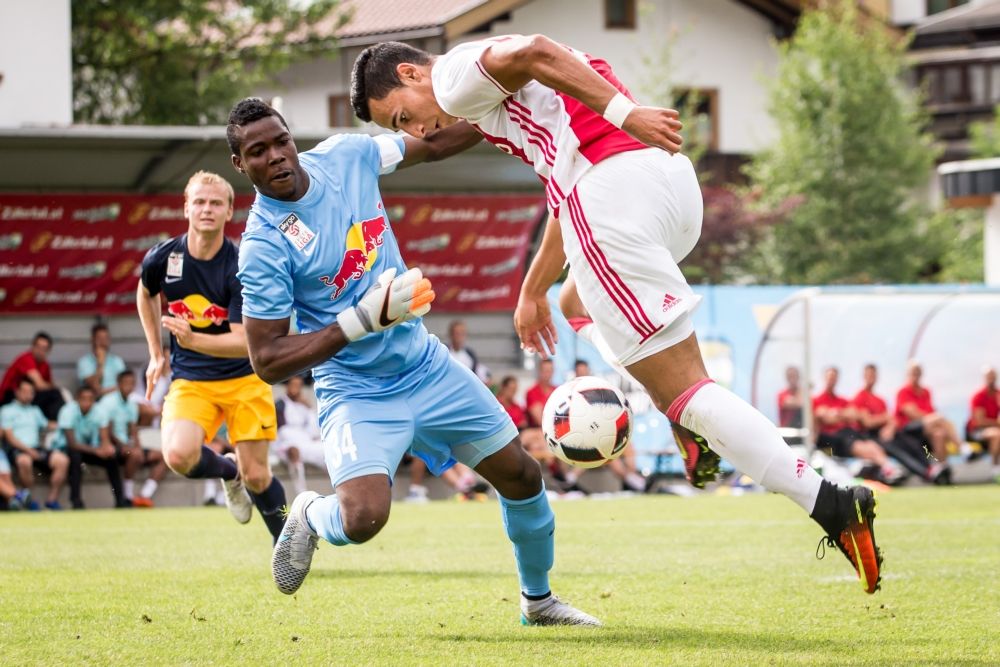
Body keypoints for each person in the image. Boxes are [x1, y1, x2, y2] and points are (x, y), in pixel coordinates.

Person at [352, 37, 882, 594]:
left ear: (411, 73)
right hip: (665, 186)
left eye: (403, 116)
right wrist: (533, 288)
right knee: (573, 303)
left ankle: (830, 503)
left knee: (685, 390)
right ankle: (689, 419)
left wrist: (628, 113)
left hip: (614, 192)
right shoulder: (493, 95)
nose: (418, 130)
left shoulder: (454, 77)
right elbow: (565, 179)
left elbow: (535, 53)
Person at [230, 96, 599, 626]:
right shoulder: (263, 245)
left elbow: (435, 141)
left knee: (521, 474)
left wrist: (507, 102)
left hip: (426, 366)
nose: (275, 157)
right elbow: (266, 359)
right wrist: (360, 321)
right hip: (356, 388)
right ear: (240, 164)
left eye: (280, 141)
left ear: (292, 138)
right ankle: (310, 513)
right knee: (362, 518)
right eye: (258, 152)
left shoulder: (346, 156)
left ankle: (538, 602)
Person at [136, 170, 287, 542]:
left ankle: (287, 544)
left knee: (258, 476)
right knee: (178, 455)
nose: (207, 209)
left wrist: (191, 340)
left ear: (229, 212)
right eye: (200, 202)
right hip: (192, 381)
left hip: (245, 378)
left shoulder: (240, 265)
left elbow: (244, 341)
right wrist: (156, 353)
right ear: (186, 208)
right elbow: (145, 292)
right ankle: (228, 472)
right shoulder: (163, 257)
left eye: (216, 203)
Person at [852, 363, 947, 484]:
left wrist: (890, 426)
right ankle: (926, 473)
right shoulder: (859, 397)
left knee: (911, 443)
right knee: (898, 451)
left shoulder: (880, 400)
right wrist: (885, 418)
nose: (872, 377)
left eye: (873, 375)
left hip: (887, 432)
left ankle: (931, 467)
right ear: (864, 376)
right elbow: (868, 422)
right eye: (869, 375)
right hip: (872, 436)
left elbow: (892, 420)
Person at [813, 367, 903, 485]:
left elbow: (853, 415)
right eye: (830, 377)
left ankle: (888, 468)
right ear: (824, 378)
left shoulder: (842, 400)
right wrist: (842, 414)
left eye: (834, 378)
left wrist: (836, 413)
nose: (832, 380)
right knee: (860, 446)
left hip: (848, 432)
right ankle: (888, 468)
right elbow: (826, 418)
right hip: (832, 439)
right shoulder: (817, 400)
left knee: (871, 444)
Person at [99, 370, 167, 507]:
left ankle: (145, 495)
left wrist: (137, 446)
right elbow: (108, 431)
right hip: (113, 445)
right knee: (135, 454)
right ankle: (128, 496)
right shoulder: (108, 402)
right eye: (126, 383)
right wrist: (127, 447)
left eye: (132, 383)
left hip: (128, 445)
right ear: (119, 384)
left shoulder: (131, 402)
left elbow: (133, 429)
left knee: (165, 456)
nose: (129, 386)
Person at [1, 379, 67, 510]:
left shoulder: (35, 410)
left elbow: (48, 425)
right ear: (17, 392)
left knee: (62, 460)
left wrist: (65, 421)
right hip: (17, 449)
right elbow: (9, 437)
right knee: (24, 461)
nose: (28, 395)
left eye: (31, 392)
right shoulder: (6, 410)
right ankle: (30, 501)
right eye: (25, 391)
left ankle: (52, 500)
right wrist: (29, 451)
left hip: (36, 448)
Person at [58, 385, 127, 509]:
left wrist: (107, 448)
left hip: (92, 450)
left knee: (111, 459)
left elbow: (104, 439)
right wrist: (96, 451)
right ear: (77, 399)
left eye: (90, 399)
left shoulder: (100, 411)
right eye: (83, 399)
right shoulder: (67, 411)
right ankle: (76, 502)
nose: (87, 402)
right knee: (76, 459)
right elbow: (72, 444)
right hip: (69, 449)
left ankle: (120, 501)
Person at [894, 361, 961, 463]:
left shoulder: (926, 392)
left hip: (926, 428)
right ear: (908, 374)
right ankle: (962, 447)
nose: (915, 375)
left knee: (939, 434)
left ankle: (942, 466)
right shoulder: (903, 392)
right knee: (940, 418)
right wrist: (934, 418)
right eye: (913, 372)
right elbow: (913, 415)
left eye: (917, 372)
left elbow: (931, 411)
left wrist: (933, 419)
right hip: (908, 430)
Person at [275, 374, 325, 496]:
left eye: (298, 386)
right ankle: (301, 493)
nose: (295, 389)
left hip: (307, 442)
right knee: (294, 451)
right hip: (286, 443)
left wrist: (309, 408)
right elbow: (282, 431)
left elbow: (314, 431)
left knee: (329, 450)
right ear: (287, 386)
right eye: (293, 385)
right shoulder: (280, 404)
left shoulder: (304, 405)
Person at [0, 332, 65, 420]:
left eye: (44, 348)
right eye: (38, 347)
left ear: (48, 351)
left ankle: (55, 422)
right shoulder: (26, 358)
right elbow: (41, 385)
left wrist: (50, 386)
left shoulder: (45, 365)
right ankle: (62, 421)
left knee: (54, 395)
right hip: (9, 397)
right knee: (54, 394)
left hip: (28, 397)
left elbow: (49, 386)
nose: (40, 351)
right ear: (32, 346)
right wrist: (49, 386)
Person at [966, 366, 1000, 481]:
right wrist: (997, 424)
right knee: (997, 434)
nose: (992, 380)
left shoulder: (998, 394)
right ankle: (996, 471)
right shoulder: (978, 396)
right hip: (976, 432)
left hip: (995, 429)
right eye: (989, 377)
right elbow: (980, 422)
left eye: (993, 377)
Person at [77, 323, 127, 397]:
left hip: (117, 399)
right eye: (99, 338)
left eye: (106, 338)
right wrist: (100, 363)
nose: (103, 342)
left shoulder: (117, 361)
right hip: (95, 401)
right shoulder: (84, 362)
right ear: (92, 339)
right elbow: (95, 388)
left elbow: (125, 385)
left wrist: (104, 392)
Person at [524, 359, 556, 429]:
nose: (548, 374)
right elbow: (540, 421)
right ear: (540, 371)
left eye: (550, 370)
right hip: (539, 429)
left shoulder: (557, 391)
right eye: (545, 371)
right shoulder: (532, 392)